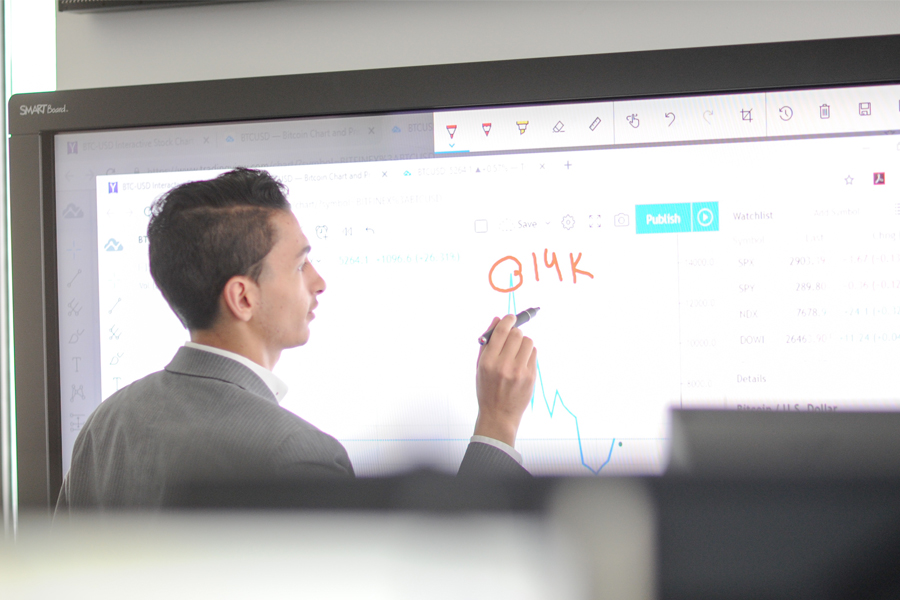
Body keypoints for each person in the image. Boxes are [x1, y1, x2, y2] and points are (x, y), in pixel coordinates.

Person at [56, 168, 537, 511]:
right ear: (243, 298)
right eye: (300, 263)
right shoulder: (299, 455)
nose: (319, 281)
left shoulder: (106, 426)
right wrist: (497, 423)